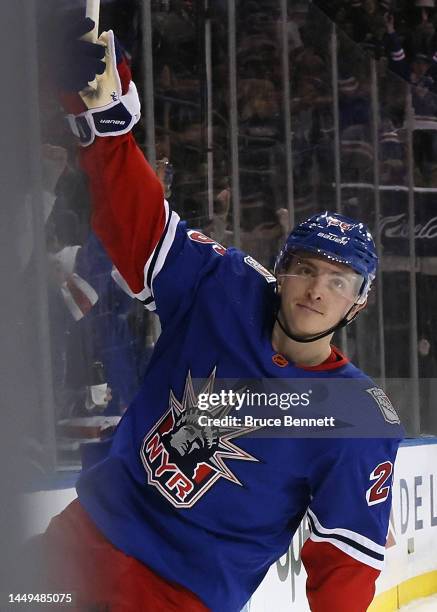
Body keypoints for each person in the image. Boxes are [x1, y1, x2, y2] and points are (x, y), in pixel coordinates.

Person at [39, 17, 404, 612]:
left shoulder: (357, 413)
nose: (316, 290)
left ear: (358, 303)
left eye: (338, 282)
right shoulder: (225, 287)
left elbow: (345, 563)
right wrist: (104, 122)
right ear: (281, 270)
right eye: (306, 269)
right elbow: (138, 220)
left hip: (178, 597)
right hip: (78, 548)